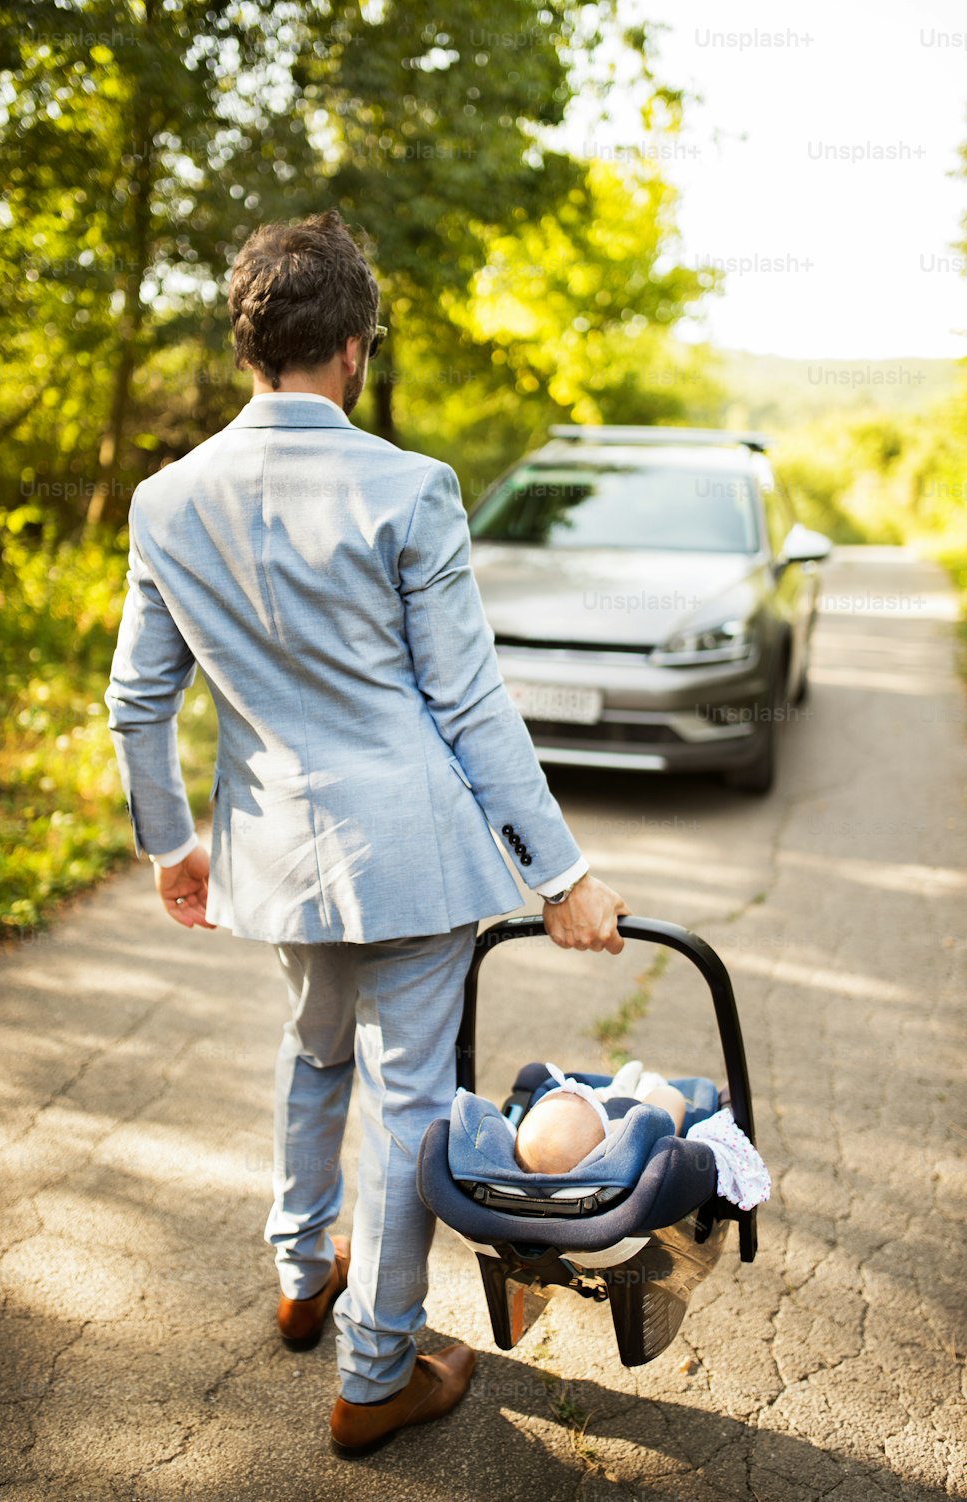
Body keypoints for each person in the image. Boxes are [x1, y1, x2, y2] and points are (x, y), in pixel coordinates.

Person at [104, 209, 630, 1458]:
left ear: (249, 345)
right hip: (409, 854)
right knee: (407, 1106)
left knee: (311, 1046)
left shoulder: (167, 499)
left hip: (275, 854)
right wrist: (561, 873)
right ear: (351, 345)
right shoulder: (410, 485)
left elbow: (137, 697)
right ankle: (375, 1370)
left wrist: (173, 843)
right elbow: (466, 699)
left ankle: (300, 1272)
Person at [508, 1062, 771, 1213]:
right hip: (631, 1110)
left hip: (604, 1113)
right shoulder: (621, 1142)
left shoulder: (534, 1168)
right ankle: (632, 1087)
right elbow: (664, 1107)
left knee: (598, 1098)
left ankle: (611, 1091)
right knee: (665, 1097)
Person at [513, 1064, 688, 1174]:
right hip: (636, 1108)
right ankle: (645, 1087)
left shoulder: (534, 1163)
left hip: (607, 1110)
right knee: (667, 1097)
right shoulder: (621, 1137)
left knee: (586, 1104)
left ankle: (612, 1092)